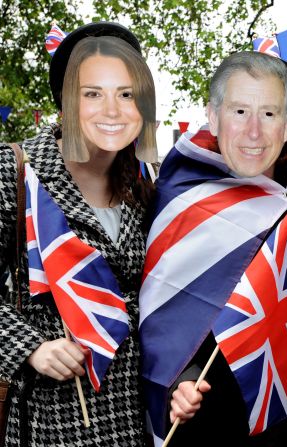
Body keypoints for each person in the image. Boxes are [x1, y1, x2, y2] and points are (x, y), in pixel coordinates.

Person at [139, 51, 287, 446]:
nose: (253, 131)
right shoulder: (178, 197)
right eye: (239, 111)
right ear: (214, 117)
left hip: (275, 414)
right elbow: (160, 312)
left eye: (269, 114)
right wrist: (180, 383)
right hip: (201, 416)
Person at [0, 22, 157, 446]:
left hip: (133, 415)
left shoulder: (145, 188)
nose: (112, 109)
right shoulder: (14, 172)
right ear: (65, 104)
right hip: (54, 417)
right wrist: (30, 347)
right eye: (92, 93)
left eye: (126, 94)